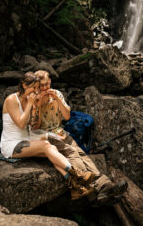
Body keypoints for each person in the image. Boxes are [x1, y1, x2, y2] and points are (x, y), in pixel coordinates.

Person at [34, 70, 128, 205]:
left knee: (82, 154)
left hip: (60, 132)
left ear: (50, 82)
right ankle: (101, 186)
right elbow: (35, 127)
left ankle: (98, 193)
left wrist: (58, 100)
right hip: (44, 136)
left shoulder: (57, 94)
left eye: (47, 84)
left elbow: (66, 117)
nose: (44, 88)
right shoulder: (33, 99)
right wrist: (39, 104)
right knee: (72, 153)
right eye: (41, 86)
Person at [0, 71, 96, 200]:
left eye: (36, 88)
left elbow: (33, 124)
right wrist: (30, 104)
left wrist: (36, 107)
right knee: (46, 145)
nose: (35, 91)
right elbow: (21, 124)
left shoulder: (30, 99)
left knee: (53, 151)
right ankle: (78, 175)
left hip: (27, 139)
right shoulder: (12, 99)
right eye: (33, 88)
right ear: (23, 85)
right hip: (11, 144)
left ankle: (75, 187)